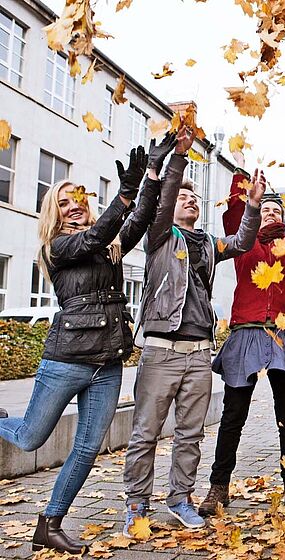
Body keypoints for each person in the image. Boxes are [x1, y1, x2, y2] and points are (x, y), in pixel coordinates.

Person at [0, 136, 175, 553]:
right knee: (29, 439)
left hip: (107, 364)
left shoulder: (110, 245)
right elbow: (93, 238)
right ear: (53, 213)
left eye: (78, 197)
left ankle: (50, 522)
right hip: (66, 361)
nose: (74, 204)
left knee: (87, 447)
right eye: (64, 201)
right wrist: (126, 194)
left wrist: (150, 177)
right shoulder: (58, 247)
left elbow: (138, 220)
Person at [122, 129, 265, 536]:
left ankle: (180, 498)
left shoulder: (205, 243)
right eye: (185, 198)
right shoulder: (160, 236)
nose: (191, 202)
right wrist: (179, 162)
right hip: (161, 349)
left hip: (199, 351)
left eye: (195, 200)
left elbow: (241, 240)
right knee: (146, 432)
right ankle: (137, 503)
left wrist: (251, 205)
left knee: (190, 433)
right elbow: (163, 203)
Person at [198, 149, 285, 515]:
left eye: (277, 211)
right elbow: (233, 214)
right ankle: (218, 487)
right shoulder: (242, 246)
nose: (271, 213)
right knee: (233, 415)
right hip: (245, 333)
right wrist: (242, 179)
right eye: (266, 209)